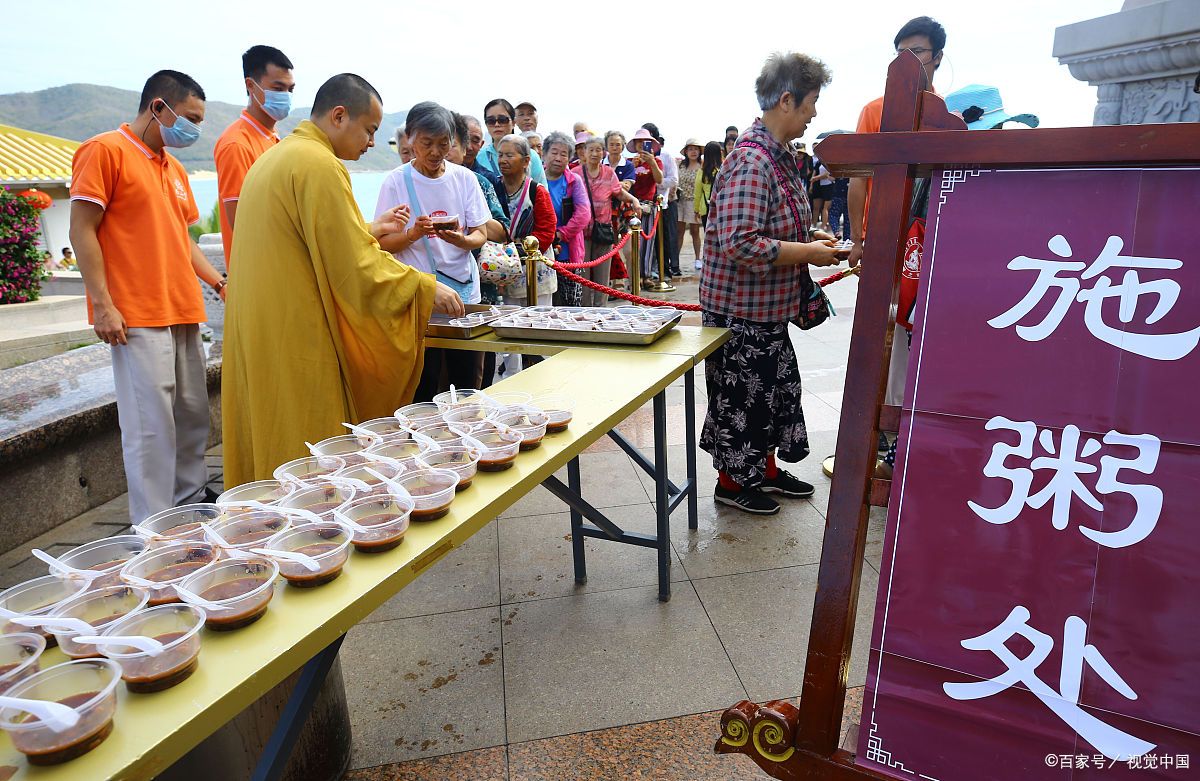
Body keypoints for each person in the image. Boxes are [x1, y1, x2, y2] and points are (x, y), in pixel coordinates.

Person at [222, 74, 460, 485]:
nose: (371, 142)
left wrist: (367, 227)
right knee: (308, 450)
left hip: (257, 326)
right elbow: (355, 266)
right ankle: (309, 533)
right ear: (338, 116)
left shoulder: (278, 156)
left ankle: (265, 526)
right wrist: (424, 287)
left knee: (268, 433)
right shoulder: (320, 165)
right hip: (294, 331)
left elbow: (308, 241)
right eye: (369, 130)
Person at [70, 69, 228, 522]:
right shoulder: (104, 151)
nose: (193, 130)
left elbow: (184, 239)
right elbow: (82, 230)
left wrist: (218, 283)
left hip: (181, 306)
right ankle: (155, 528)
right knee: (151, 427)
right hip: (135, 314)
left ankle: (190, 501)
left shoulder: (172, 167)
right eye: (190, 118)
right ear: (158, 107)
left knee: (193, 415)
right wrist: (103, 305)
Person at [699, 52, 841, 515]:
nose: (814, 113)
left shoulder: (779, 159)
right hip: (743, 315)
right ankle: (732, 483)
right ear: (786, 100)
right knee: (742, 401)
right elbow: (741, 243)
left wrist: (812, 236)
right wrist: (809, 253)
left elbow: (775, 224)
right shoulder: (752, 162)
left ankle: (767, 471)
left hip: (768, 312)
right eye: (811, 103)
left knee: (775, 396)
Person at [847, 15, 946, 410]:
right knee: (876, 334)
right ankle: (871, 427)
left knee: (915, 335)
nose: (908, 59)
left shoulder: (945, 116)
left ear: (937, 57)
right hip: (882, 243)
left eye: (917, 51)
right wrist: (858, 239)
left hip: (925, 246)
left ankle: (902, 422)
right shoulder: (875, 110)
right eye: (900, 53)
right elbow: (857, 179)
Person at [374, 101, 490, 400]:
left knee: (466, 383)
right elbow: (383, 244)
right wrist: (413, 234)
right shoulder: (396, 181)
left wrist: (461, 241)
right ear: (410, 139)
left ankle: (465, 440)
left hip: (463, 292)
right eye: (427, 143)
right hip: (418, 296)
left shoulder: (464, 178)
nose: (436, 152)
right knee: (423, 383)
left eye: (443, 144)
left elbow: (481, 232)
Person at [213, 45, 294, 267]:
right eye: (278, 88)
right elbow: (243, 224)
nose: (285, 96)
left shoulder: (274, 140)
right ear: (251, 85)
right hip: (258, 275)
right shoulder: (236, 144)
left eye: (290, 89)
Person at [574, 134, 639, 306]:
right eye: (591, 150)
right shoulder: (575, 174)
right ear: (584, 153)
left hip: (603, 230)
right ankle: (586, 310)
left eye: (598, 150)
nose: (595, 154)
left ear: (603, 153)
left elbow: (619, 192)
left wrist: (633, 200)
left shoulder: (609, 173)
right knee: (584, 275)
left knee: (603, 275)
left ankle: (601, 309)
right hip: (581, 232)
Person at [496, 133, 557, 306]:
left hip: (536, 268)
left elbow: (547, 230)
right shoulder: (494, 188)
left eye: (509, 155)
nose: (503, 160)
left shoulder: (536, 191)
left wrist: (519, 252)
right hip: (505, 269)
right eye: (500, 155)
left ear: (525, 161)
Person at [541, 131, 590, 307]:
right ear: (544, 154)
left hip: (568, 252)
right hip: (541, 251)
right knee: (544, 302)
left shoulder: (573, 180)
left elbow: (583, 213)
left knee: (570, 303)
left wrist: (561, 234)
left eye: (564, 154)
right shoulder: (535, 179)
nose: (558, 158)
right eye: (554, 152)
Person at [476, 98, 547, 187]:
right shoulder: (479, 157)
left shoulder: (530, 156)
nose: (496, 124)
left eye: (502, 120)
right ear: (486, 124)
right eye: (491, 121)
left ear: (513, 122)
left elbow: (543, 194)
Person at [642, 122, 681, 278]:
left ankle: (664, 271)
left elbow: (673, 180)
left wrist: (657, 182)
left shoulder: (666, 157)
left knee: (663, 240)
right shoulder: (637, 159)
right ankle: (645, 273)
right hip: (643, 205)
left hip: (661, 204)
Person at [693, 141, 723, 270]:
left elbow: (697, 192)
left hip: (706, 209)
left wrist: (696, 210)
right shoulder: (724, 169)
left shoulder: (702, 171)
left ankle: (710, 261)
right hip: (721, 209)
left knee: (709, 236)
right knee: (721, 236)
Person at [676, 138, 703, 262]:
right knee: (679, 231)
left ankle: (698, 259)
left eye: (696, 149)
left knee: (695, 231)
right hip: (680, 201)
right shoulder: (680, 165)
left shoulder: (702, 165)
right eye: (691, 149)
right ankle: (676, 259)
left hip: (694, 201)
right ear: (686, 151)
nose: (693, 152)